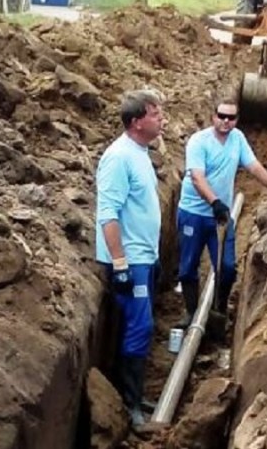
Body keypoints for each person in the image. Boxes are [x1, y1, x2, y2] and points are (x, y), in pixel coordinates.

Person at [175, 97, 267, 329]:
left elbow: (253, 166)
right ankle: (191, 313)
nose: (225, 121)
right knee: (187, 268)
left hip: (220, 216)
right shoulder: (198, 142)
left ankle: (219, 309)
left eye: (231, 118)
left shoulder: (237, 139)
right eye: (221, 116)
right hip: (193, 212)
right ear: (213, 116)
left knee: (228, 267)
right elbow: (197, 177)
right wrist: (214, 202)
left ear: (236, 120)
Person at [94, 89, 164, 429]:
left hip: (143, 257)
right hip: (129, 261)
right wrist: (120, 263)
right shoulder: (118, 158)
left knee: (138, 326)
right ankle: (130, 404)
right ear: (136, 122)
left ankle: (134, 394)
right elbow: (108, 214)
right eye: (154, 114)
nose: (161, 118)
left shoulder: (140, 152)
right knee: (141, 326)